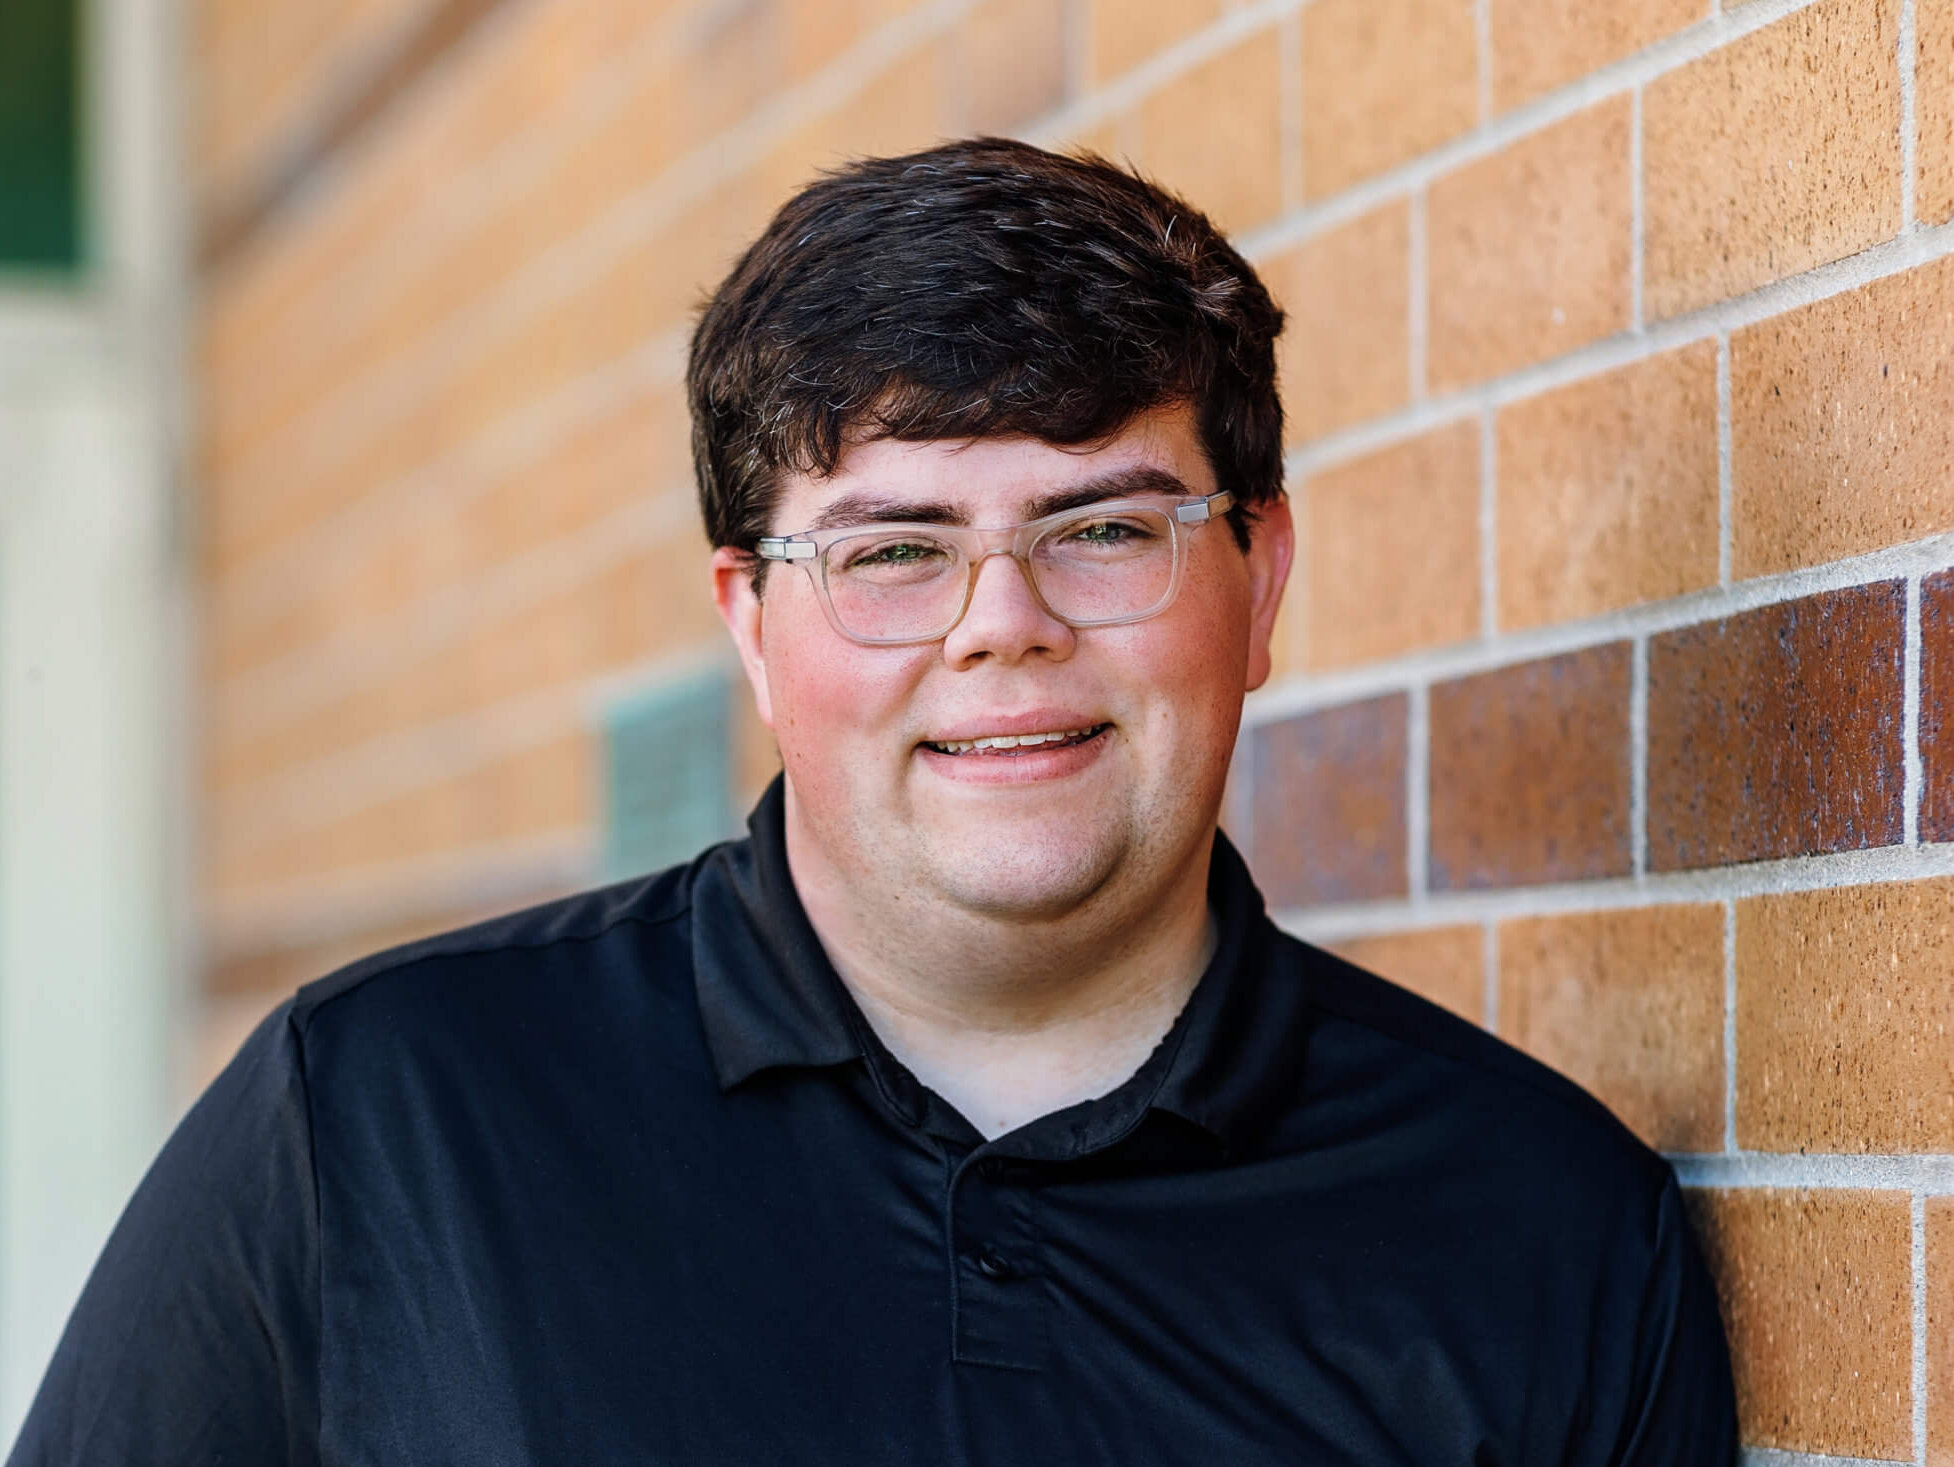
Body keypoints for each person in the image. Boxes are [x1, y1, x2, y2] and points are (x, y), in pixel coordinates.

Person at [9, 138, 1737, 1464]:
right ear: (750, 626)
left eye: (1105, 529)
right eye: (893, 551)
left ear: (1260, 577)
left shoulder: (1541, 1225)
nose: (1004, 628)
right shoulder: (381, 1122)